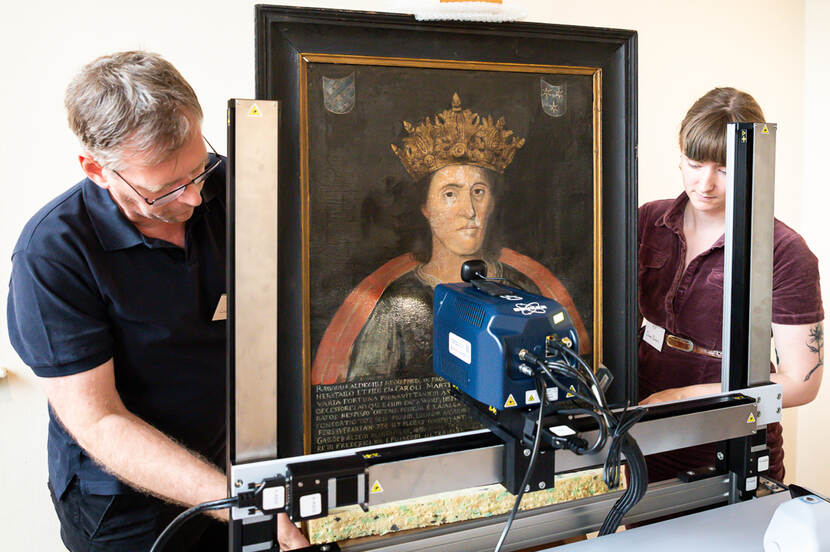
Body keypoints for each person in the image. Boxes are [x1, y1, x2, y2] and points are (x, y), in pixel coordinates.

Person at [6, 51, 308, 551]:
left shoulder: (233, 190)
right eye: (164, 189)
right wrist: (238, 501)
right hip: (119, 504)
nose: (193, 199)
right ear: (96, 170)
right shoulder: (52, 254)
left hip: (229, 463)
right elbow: (100, 420)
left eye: (198, 170)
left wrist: (249, 475)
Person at [312, 93, 590, 385]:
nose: (469, 210)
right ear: (425, 207)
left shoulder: (526, 289)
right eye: (450, 194)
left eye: (478, 192)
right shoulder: (395, 309)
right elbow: (365, 408)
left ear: (492, 202)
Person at [637, 87, 824, 483]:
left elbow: (801, 384)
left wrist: (682, 398)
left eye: (723, 170)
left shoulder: (785, 251)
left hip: (730, 438)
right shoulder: (646, 221)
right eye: (694, 163)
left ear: (754, 164)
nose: (705, 183)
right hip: (643, 424)